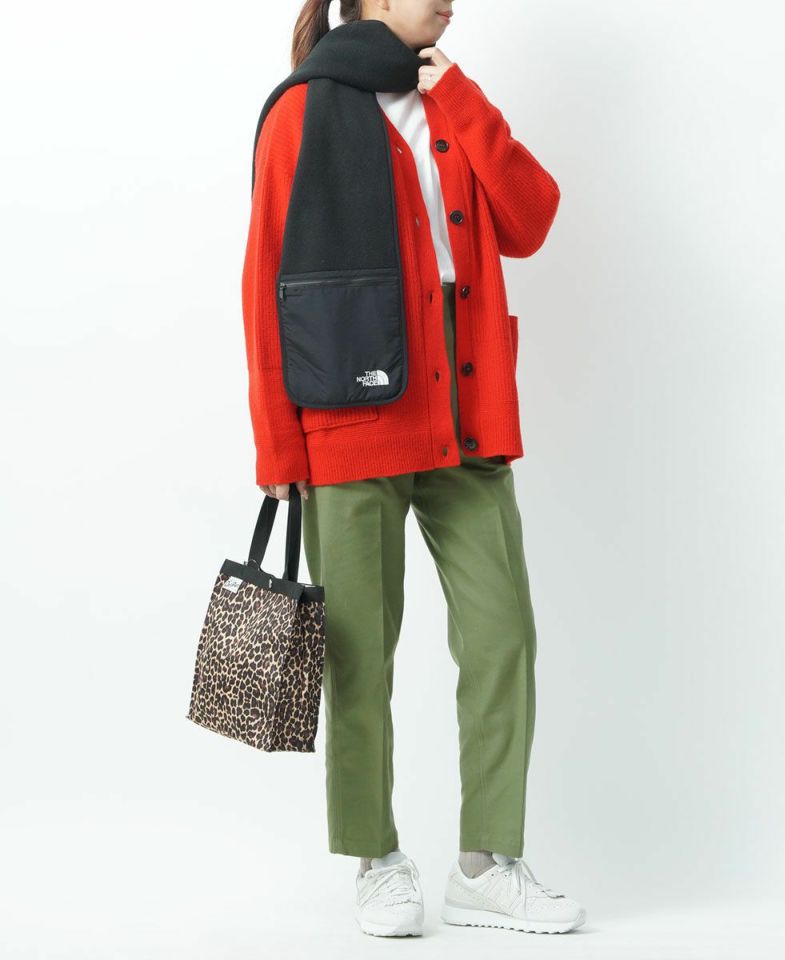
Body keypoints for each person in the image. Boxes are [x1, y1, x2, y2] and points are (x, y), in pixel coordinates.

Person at [241, 0, 585, 938]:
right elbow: (266, 279)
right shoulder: (301, 110)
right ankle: (376, 857)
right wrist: (278, 446)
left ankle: (487, 864)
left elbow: (531, 219)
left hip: (464, 412)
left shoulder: (450, 97)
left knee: (503, 636)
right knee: (359, 655)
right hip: (349, 419)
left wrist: (464, 102)